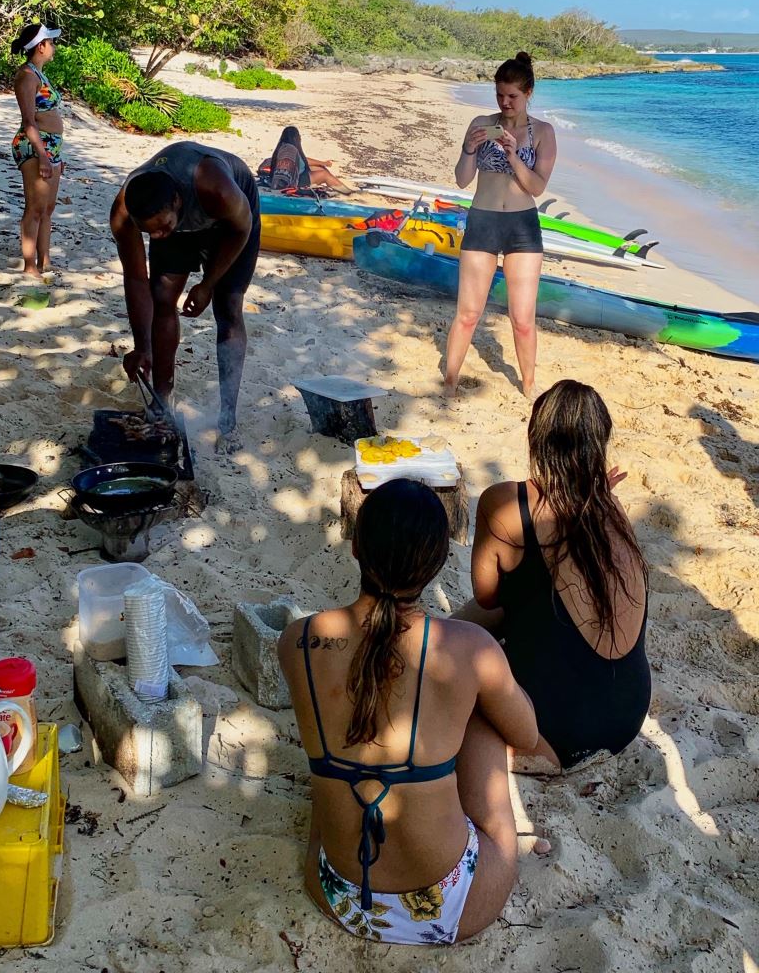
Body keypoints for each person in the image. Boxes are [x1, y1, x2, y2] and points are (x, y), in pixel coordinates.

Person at [278, 479, 538, 946]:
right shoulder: (469, 648)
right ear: (438, 563)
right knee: (483, 712)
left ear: (356, 546)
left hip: (338, 892)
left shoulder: (297, 641)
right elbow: (527, 733)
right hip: (451, 905)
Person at [457, 381, 651, 772]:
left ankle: (413, 646)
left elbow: (488, 597)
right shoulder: (612, 507)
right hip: (628, 715)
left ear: (535, 437)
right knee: (531, 599)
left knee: (463, 645)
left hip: (554, 730)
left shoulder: (506, 503)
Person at [109, 141, 260, 452]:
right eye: (150, 232)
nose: (157, 237)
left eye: (161, 228)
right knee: (163, 296)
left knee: (228, 307)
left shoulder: (217, 189)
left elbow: (241, 229)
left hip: (231, 223)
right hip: (180, 221)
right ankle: (162, 399)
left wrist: (208, 283)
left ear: (177, 201)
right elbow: (136, 278)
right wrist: (142, 346)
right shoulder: (126, 212)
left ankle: (227, 420)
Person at [442, 52, 557, 399]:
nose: (505, 103)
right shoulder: (481, 122)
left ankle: (529, 386)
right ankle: (449, 382)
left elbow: (536, 187)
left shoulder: (544, 133)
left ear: (529, 93)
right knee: (468, 313)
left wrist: (511, 154)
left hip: (522, 225)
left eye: (513, 97)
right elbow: (463, 180)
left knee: (522, 319)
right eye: (500, 95)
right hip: (483, 220)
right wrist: (468, 148)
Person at [10, 22, 65, 279]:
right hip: (35, 145)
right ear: (41, 46)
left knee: (48, 207)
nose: (53, 47)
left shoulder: (40, 74)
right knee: (34, 207)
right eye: (51, 43)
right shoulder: (26, 76)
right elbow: (28, 121)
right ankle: (29, 265)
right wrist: (42, 154)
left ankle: (45, 261)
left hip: (52, 145)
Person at [259, 126, 351, 194]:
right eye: (299, 136)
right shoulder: (290, 149)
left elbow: (305, 160)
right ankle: (348, 192)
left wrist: (323, 163)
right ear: (295, 138)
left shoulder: (285, 146)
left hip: (299, 172)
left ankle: (337, 185)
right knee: (325, 174)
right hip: (297, 179)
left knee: (321, 168)